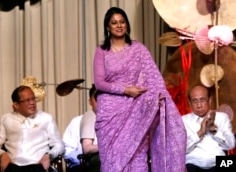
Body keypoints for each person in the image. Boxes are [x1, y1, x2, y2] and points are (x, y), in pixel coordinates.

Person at [93, 7, 187, 172]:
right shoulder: (101, 52)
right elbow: (99, 83)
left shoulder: (139, 49)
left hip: (137, 112)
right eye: (114, 23)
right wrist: (126, 90)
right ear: (108, 27)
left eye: (122, 22)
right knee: (112, 162)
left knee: (137, 159)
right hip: (110, 115)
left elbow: (154, 79)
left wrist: (155, 97)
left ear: (127, 25)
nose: (119, 25)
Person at [0, 85, 65, 172]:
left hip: (39, 166)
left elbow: (59, 145)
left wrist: (48, 155)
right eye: (27, 100)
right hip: (13, 166)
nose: (32, 103)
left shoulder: (46, 118)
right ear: (16, 105)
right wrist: (2, 154)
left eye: (33, 99)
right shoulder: (5, 119)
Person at [182, 85, 235, 172]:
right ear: (189, 103)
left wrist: (214, 130)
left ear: (209, 100)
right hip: (193, 164)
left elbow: (230, 145)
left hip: (219, 163)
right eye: (195, 101)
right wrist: (200, 133)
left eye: (202, 100)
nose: (199, 105)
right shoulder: (183, 121)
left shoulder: (222, 117)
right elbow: (180, 150)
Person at [80, 84, 100, 172]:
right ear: (90, 102)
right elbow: (87, 148)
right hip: (98, 156)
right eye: (96, 99)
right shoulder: (90, 116)